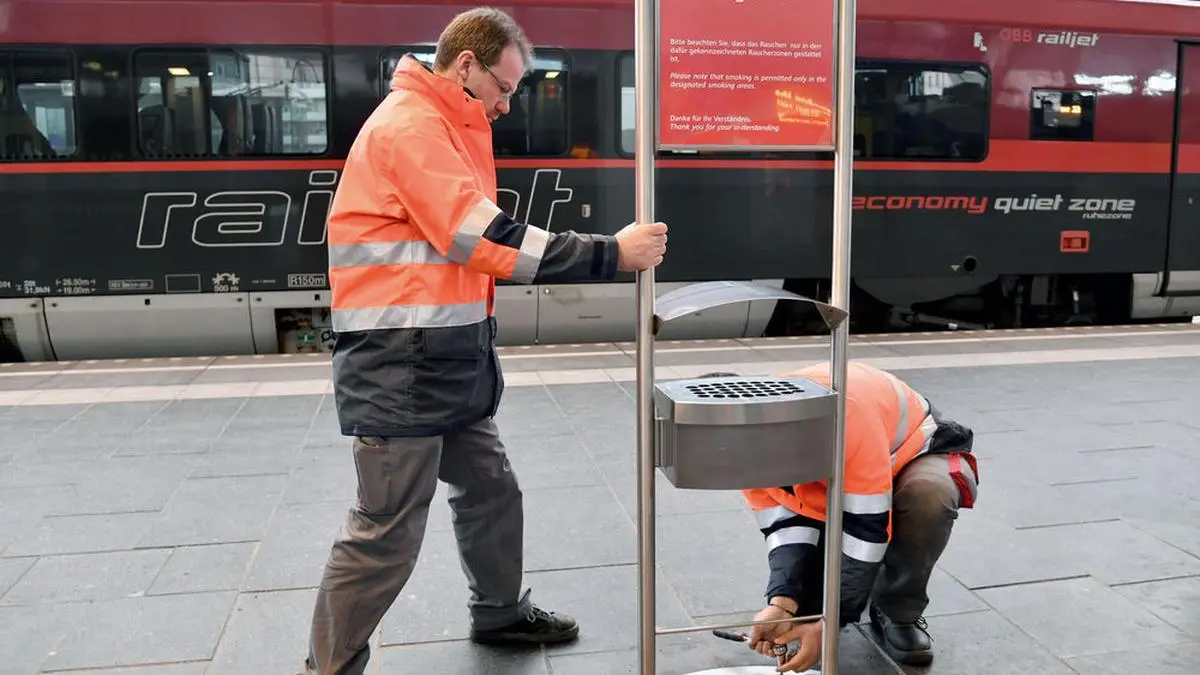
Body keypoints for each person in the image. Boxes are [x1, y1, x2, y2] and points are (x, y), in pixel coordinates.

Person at [301, 8, 669, 675]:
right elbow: (483, 238)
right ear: (465, 65)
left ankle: (499, 610)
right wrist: (609, 253)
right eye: (504, 87)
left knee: (492, 487)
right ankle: (327, 667)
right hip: (400, 366)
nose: (507, 103)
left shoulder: (451, 125)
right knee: (385, 529)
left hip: (445, 358)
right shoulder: (411, 128)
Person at [707, 361, 979, 672]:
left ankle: (898, 609)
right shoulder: (743, 444)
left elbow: (867, 529)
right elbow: (786, 528)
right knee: (811, 604)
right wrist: (782, 601)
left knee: (929, 495)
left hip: (912, 449)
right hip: (848, 468)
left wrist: (831, 623)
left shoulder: (842, 417)